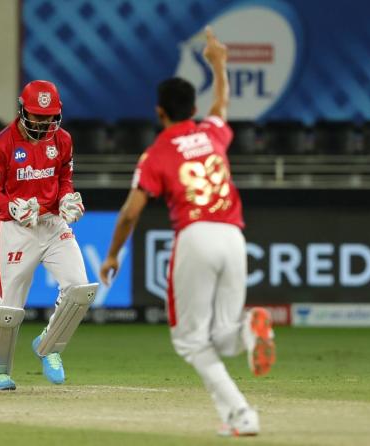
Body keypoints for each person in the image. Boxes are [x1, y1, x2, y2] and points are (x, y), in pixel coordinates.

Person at [99, 27, 276, 436]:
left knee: (190, 341)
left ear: (160, 112)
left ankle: (242, 412)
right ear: (192, 108)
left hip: (196, 236)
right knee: (225, 337)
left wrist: (112, 254)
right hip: (234, 235)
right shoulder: (211, 133)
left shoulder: (157, 153)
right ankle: (249, 356)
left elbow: (130, 213)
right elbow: (224, 103)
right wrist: (219, 64)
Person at [0, 79, 98, 391]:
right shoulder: (2, 144)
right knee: (10, 305)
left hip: (52, 223)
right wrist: (12, 208)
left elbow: (64, 178)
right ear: (23, 111)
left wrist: (67, 198)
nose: (44, 122)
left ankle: (49, 346)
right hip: (16, 228)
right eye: (37, 116)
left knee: (80, 289)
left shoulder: (62, 140)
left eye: (49, 117)